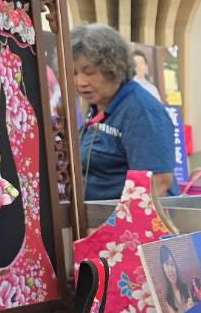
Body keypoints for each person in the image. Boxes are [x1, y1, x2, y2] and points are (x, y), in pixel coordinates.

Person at [73, 23, 175, 201]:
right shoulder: (98, 105)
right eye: (74, 73)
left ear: (114, 68)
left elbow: (157, 184)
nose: (81, 82)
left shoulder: (142, 111)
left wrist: (117, 220)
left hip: (128, 218)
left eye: (89, 72)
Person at [155, 243, 194, 313]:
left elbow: (193, 310)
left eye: (172, 264)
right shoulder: (168, 298)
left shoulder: (185, 286)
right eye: (167, 264)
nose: (171, 270)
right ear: (163, 269)